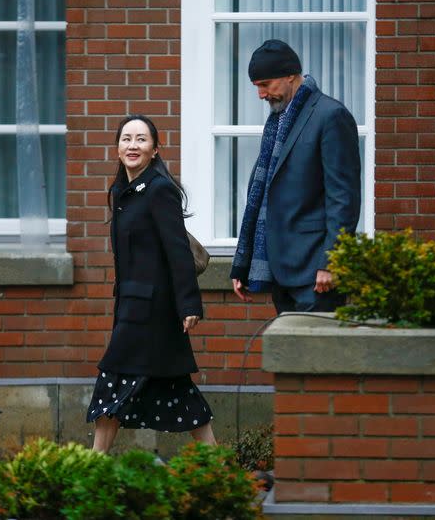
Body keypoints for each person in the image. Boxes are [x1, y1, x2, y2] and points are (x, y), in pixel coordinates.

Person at [87, 114, 216, 453]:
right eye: (127, 138)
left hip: (152, 311)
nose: (133, 145)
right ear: (117, 148)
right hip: (132, 306)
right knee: (178, 391)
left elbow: (178, 252)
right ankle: (219, 469)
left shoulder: (160, 190)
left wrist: (188, 305)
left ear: (155, 150)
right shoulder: (122, 192)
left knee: (112, 381)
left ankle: (90, 467)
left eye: (141, 139)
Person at [230, 39, 361, 313]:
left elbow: (343, 198)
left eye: (266, 84)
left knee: (319, 356)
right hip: (281, 271)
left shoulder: (331, 116)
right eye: (256, 87)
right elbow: (265, 192)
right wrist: (244, 263)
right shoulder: (277, 121)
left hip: (316, 272)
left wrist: (331, 261)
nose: (261, 94)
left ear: (290, 74)